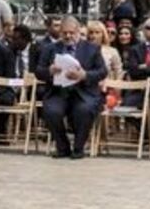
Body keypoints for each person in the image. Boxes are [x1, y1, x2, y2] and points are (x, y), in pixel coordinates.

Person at [36, 16, 107, 159]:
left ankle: (78, 148)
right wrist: (49, 71)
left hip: (83, 92)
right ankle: (62, 147)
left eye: (71, 33)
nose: (68, 36)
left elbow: (102, 71)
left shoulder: (92, 49)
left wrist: (84, 75)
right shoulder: (50, 48)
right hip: (58, 92)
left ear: (78, 31)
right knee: (51, 111)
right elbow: (38, 71)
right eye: (64, 33)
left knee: (84, 110)